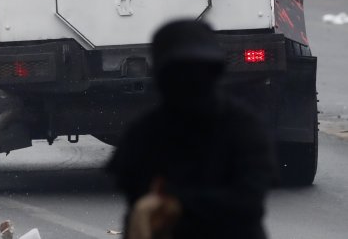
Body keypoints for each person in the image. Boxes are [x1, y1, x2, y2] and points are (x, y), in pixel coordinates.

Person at [106, 19, 275, 239]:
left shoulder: (242, 128)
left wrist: (179, 202)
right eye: (180, 75)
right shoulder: (145, 132)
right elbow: (136, 204)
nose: (189, 83)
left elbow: (249, 201)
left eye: (196, 74)